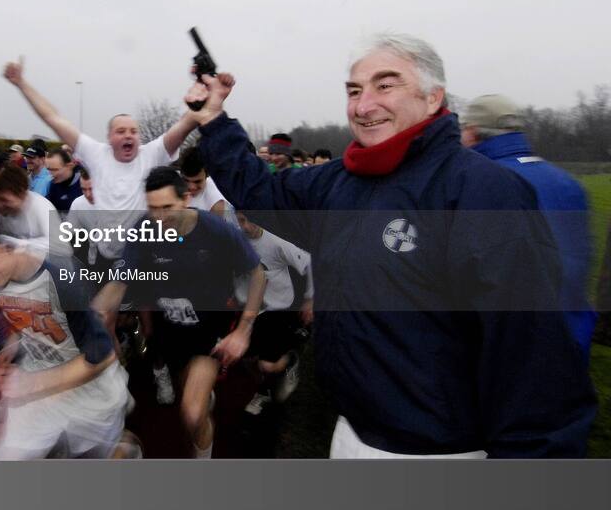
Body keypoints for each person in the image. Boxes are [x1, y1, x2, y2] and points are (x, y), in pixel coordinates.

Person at [185, 33, 596, 458]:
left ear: (433, 97)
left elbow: (532, 358)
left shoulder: (482, 191)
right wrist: (214, 119)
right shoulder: (339, 181)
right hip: (349, 430)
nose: (364, 105)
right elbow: (259, 191)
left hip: (438, 454)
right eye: (354, 90)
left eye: (386, 85)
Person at [93, 167, 266, 458]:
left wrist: (244, 329)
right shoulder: (143, 229)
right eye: (152, 208)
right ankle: (199, 392)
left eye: (167, 207)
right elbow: (119, 281)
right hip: (169, 330)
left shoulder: (217, 229)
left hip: (209, 330)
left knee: (191, 413)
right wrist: (95, 310)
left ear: (186, 198)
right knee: (187, 389)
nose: (158, 218)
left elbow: (258, 273)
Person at [0, 208, 130, 460]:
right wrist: (11, 347)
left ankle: (125, 447)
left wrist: (31, 384)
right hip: (37, 384)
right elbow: (21, 317)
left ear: (11, 247)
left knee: (102, 456)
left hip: (88, 389)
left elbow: (101, 357)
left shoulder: (62, 281)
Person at [2, 57, 194, 265]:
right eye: (121, 131)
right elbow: (52, 118)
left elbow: (185, 125)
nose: (128, 135)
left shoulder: (152, 153)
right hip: (105, 255)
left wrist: (206, 89)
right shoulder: (96, 153)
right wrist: (22, 84)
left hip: (143, 253)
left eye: (133, 131)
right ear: (110, 138)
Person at [460, 94, 598, 363]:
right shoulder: (567, 182)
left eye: (463, 129)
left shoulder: (479, 183)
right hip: (570, 337)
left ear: (473, 132)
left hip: (511, 351)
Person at [233, 211, 314, 415]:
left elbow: (309, 263)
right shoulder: (233, 238)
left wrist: (310, 298)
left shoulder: (275, 242)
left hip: (277, 309)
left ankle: (286, 366)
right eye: (241, 220)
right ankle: (263, 384)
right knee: (243, 358)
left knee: (267, 365)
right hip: (248, 307)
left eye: (250, 219)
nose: (245, 226)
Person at [0, 166, 68, 259]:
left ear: (22, 194)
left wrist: (18, 243)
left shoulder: (42, 207)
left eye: (4, 200)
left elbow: (63, 248)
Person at [178, 147, 228, 218]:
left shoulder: (216, 203)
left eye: (197, 181)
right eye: (186, 180)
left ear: (207, 175)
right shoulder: (171, 183)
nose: (191, 187)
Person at [44, 149, 82, 214]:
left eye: (55, 170)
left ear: (70, 166)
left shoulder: (85, 184)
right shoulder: (53, 184)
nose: (51, 174)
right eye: (49, 169)